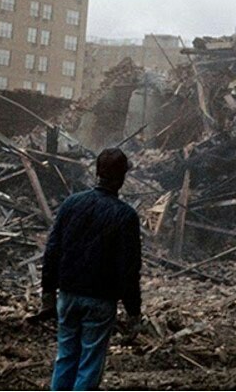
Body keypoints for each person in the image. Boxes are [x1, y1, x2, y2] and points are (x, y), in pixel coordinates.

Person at [40, 148, 142, 391]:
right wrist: (133, 312)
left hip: (68, 295)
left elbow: (52, 249)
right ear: (122, 178)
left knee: (65, 357)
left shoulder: (71, 204)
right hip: (100, 300)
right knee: (89, 364)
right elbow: (129, 269)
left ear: (97, 173)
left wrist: (47, 293)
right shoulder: (126, 216)